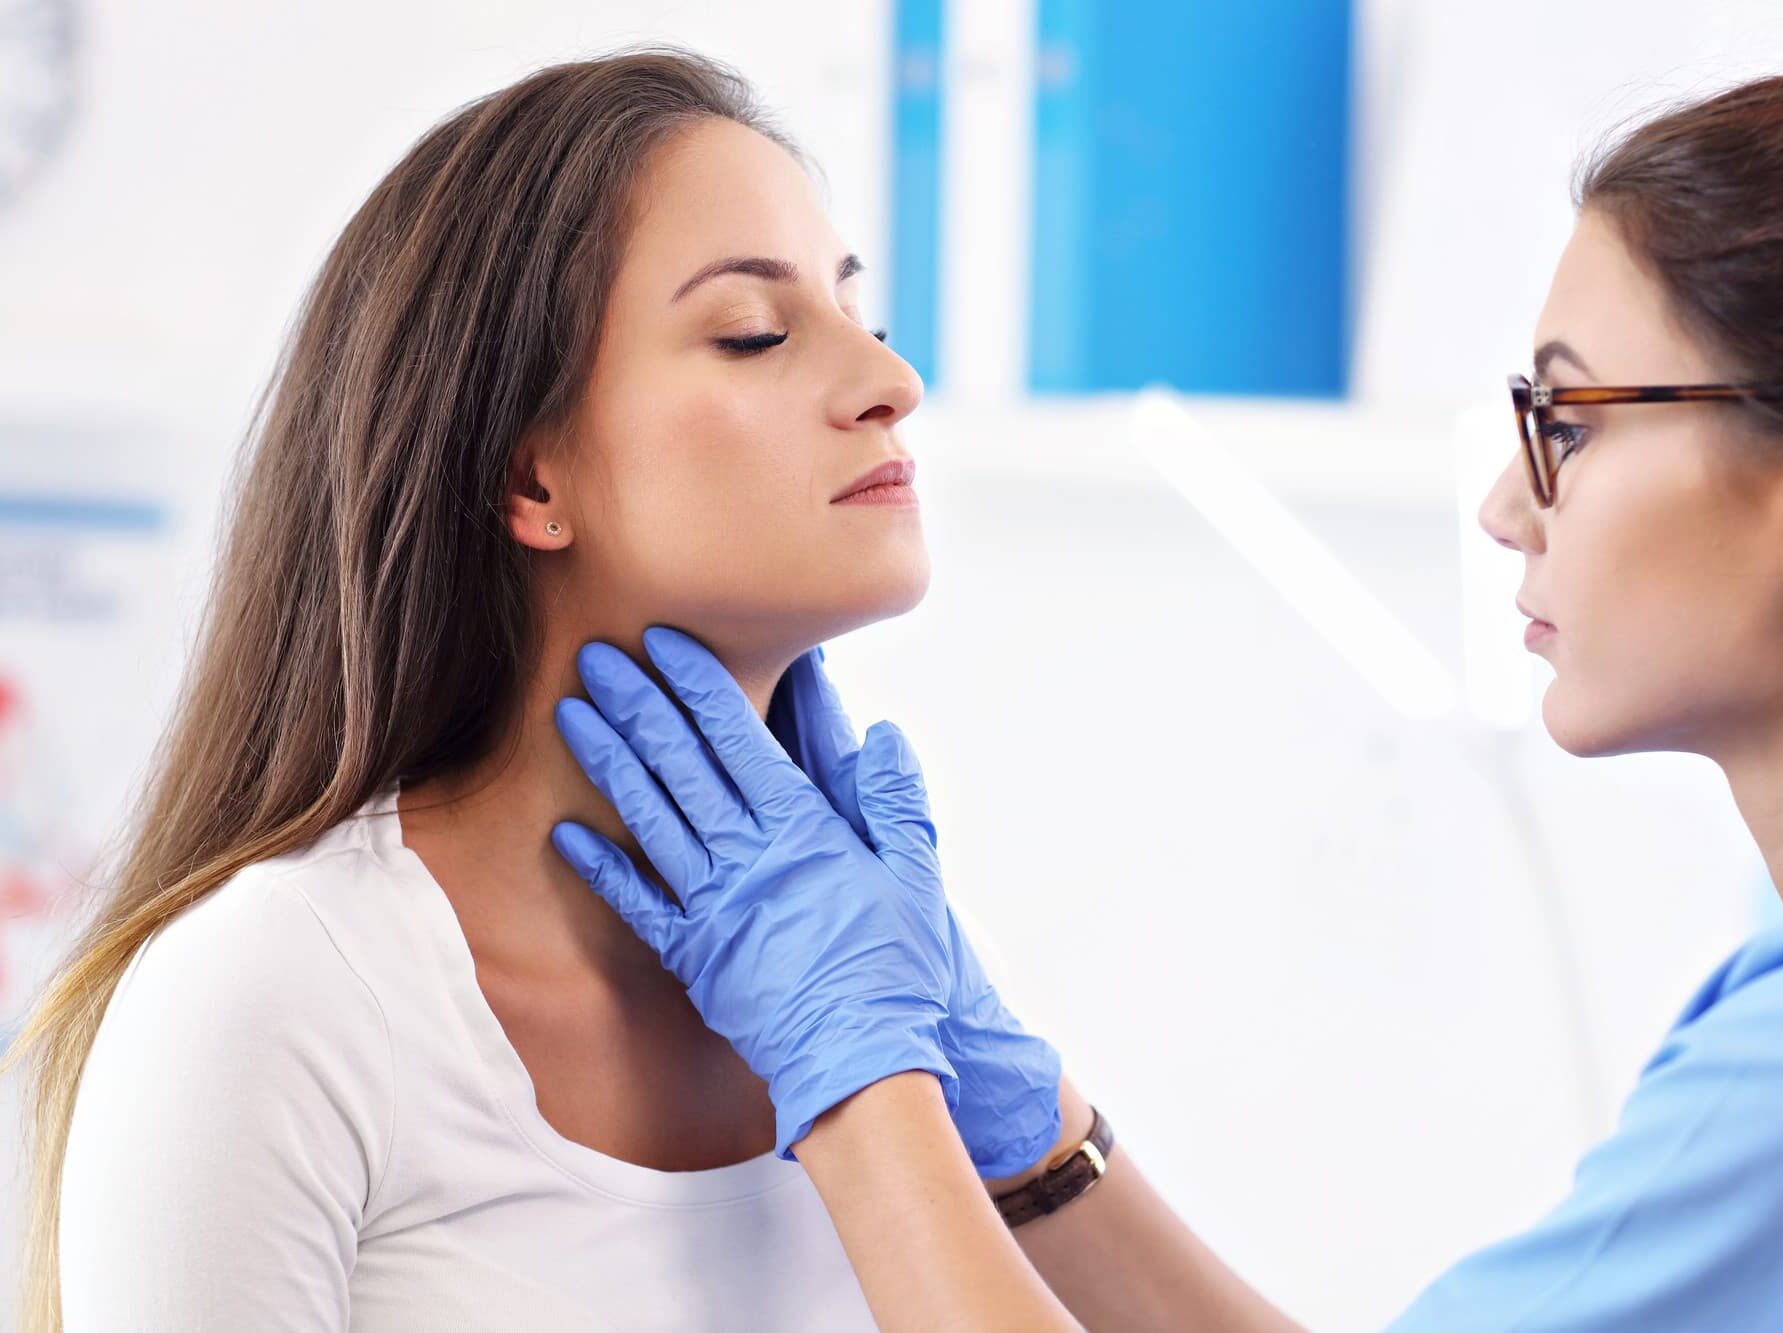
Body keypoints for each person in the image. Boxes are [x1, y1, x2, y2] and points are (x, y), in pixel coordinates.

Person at [551, 64, 1783, 1330]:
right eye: (750, 334)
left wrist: (859, 1076)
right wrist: (1025, 1126)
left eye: (1573, 422)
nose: (1504, 506)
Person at [3, 47, 1099, 1332]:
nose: (890, 383)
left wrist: (947, 1096)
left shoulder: (860, 996)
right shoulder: (283, 995)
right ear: (529, 482)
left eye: (863, 317)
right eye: (755, 333)